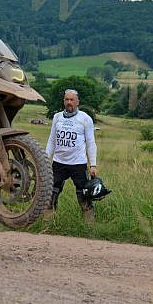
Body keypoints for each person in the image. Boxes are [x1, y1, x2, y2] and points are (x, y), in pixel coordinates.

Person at [44, 89, 98, 223]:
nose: (69, 102)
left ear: (77, 102)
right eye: (67, 99)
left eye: (72, 100)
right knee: (51, 194)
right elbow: (52, 140)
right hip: (58, 163)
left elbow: (91, 143)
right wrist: (45, 160)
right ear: (64, 101)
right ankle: (48, 223)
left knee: (83, 195)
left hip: (78, 164)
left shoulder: (85, 119)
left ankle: (89, 225)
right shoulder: (57, 117)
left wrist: (93, 165)